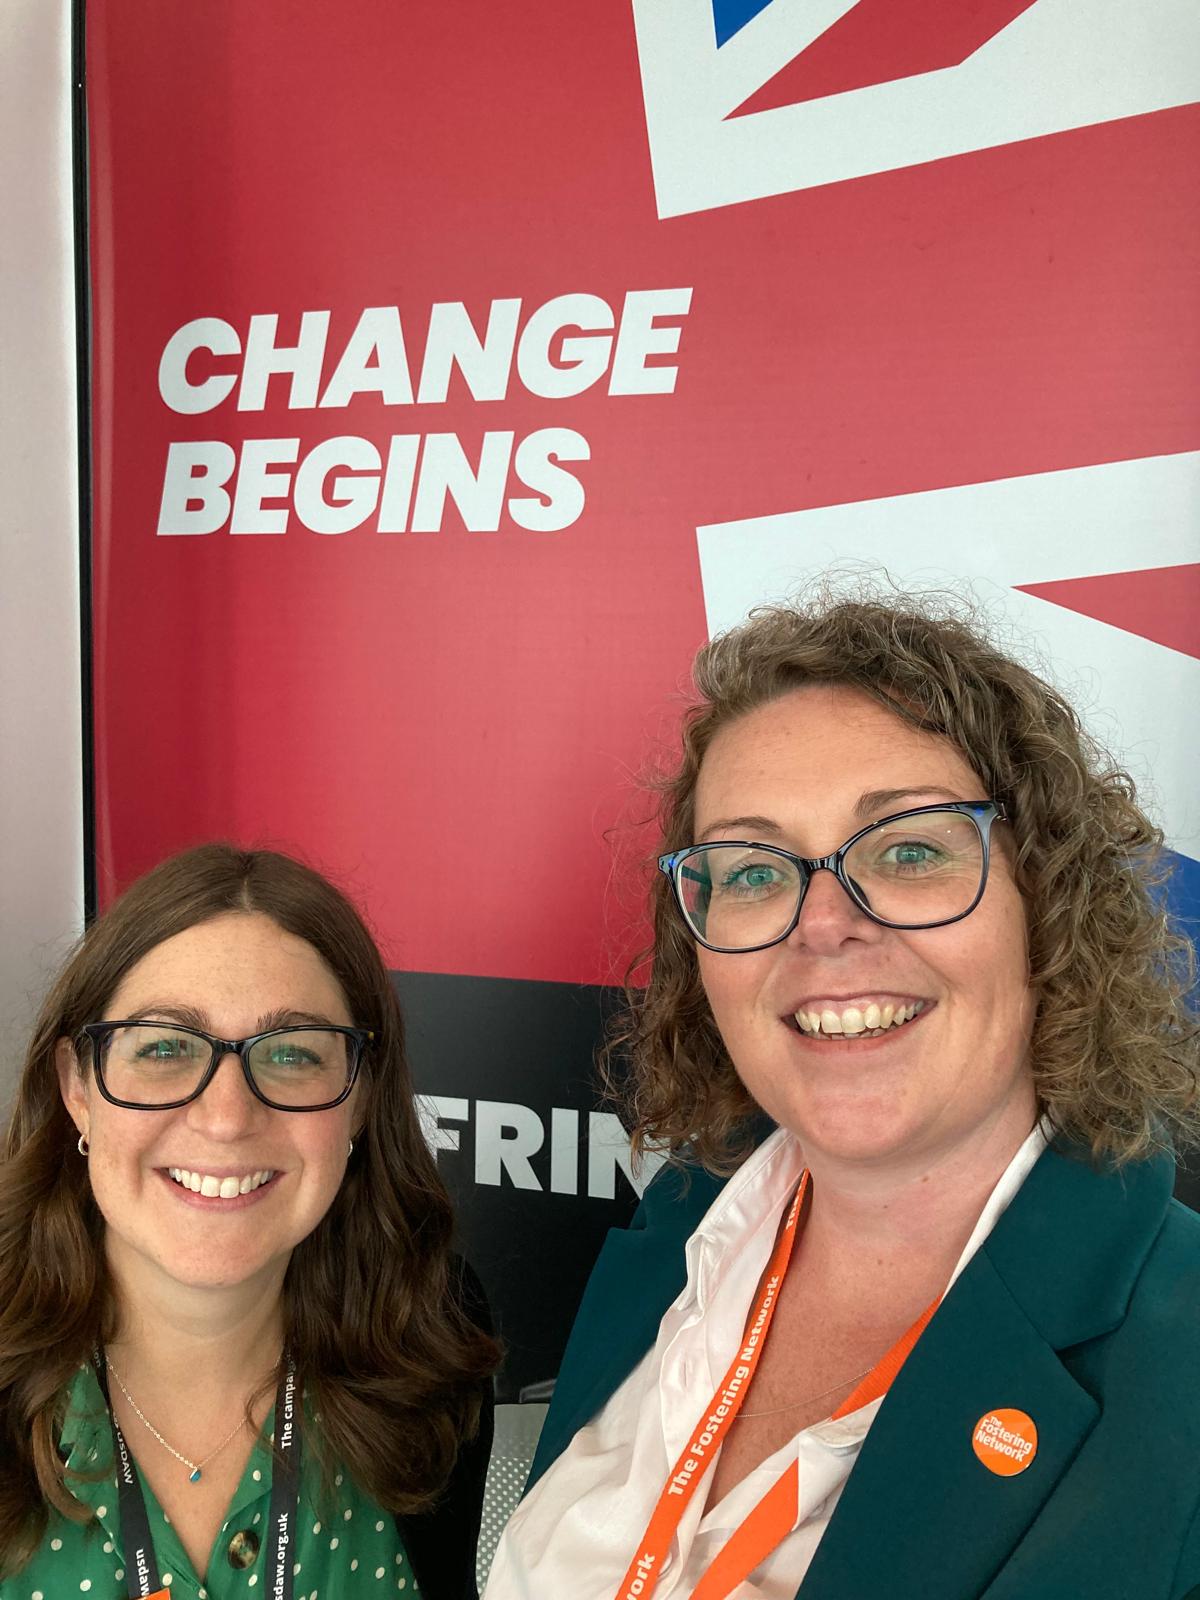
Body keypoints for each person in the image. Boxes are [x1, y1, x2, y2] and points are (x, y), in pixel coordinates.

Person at [487, 592, 1200, 1600]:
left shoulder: (1181, 1361)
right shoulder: (683, 1227)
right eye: (750, 871)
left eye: (908, 850)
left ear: (1045, 899)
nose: (821, 925)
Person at [0, 844, 500, 1600]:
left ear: (359, 1099)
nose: (228, 1118)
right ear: (78, 1088)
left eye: (293, 1054)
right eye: (165, 1047)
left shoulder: (426, 1338)